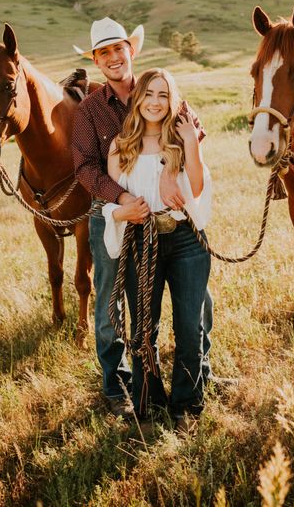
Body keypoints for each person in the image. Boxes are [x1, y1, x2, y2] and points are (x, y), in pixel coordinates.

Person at [71, 17, 215, 419]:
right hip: (118, 211)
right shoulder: (91, 111)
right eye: (104, 53)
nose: (114, 58)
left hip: (174, 217)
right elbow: (84, 168)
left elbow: (193, 135)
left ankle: (198, 373)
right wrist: (123, 200)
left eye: (119, 49)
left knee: (196, 302)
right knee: (112, 301)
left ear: (131, 51)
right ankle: (119, 385)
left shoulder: (161, 87)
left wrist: (170, 166)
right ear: (97, 61)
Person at [102, 68, 212, 426]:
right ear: (137, 99)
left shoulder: (180, 141)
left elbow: (196, 188)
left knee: (188, 325)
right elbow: (112, 202)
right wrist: (123, 211)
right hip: (141, 242)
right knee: (143, 328)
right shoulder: (121, 146)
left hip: (184, 241)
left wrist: (190, 147)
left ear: (172, 100)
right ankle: (148, 403)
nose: (154, 102)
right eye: (148, 93)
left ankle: (186, 404)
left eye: (163, 95)